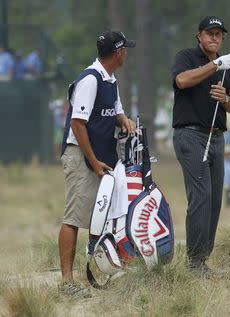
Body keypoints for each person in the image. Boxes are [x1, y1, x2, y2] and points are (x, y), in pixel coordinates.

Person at [58, 30, 136, 298]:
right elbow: (78, 124)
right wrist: (92, 161)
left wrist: (124, 119)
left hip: (99, 156)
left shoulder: (109, 79)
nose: (126, 53)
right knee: (74, 217)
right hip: (81, 155)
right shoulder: (90, 80)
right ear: (118, 53)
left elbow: (115, 111)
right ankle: (67, 282)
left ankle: (100, 269)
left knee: (101, 217)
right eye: (125, 49)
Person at [171, 16, 230, 274]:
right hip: (190, 135)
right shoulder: (186, 57)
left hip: (216, 137)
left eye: (218, 34)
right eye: (209, 33)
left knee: (213, 200)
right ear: (199, 36)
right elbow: (182, 81)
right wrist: (215, 66)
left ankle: (202, 260)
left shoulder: (228, 68)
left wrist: (225, 99)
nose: (214, 37)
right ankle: (194, 261)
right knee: (200, 196)